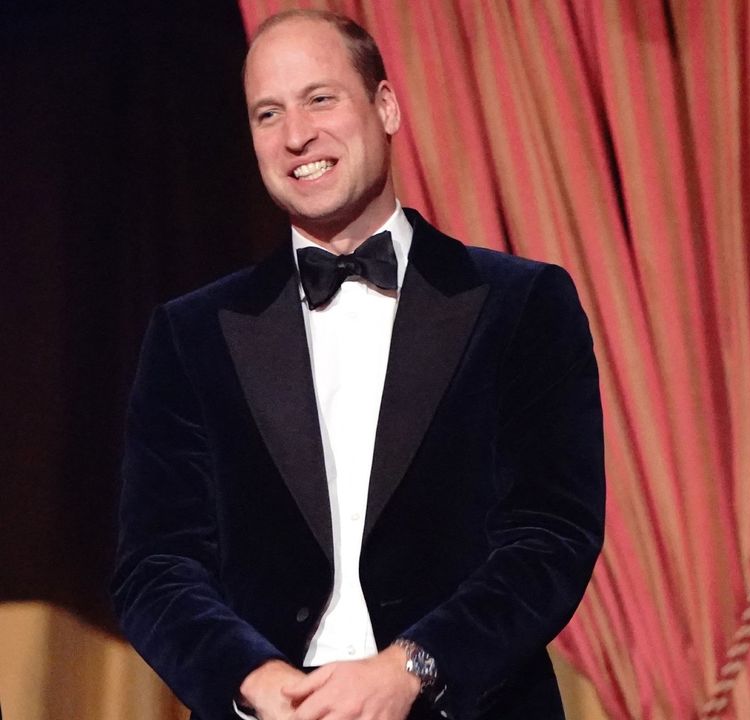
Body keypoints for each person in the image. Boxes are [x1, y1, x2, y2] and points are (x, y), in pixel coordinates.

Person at [111, 10, 604, 720]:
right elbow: (155, 566)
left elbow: (552, 535)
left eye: (320, 98)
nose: (296, 135)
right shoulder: (190, 334)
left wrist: (413, 666)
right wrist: (251, 678)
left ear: (386, 105)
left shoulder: (521, 304)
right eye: (268, 112)